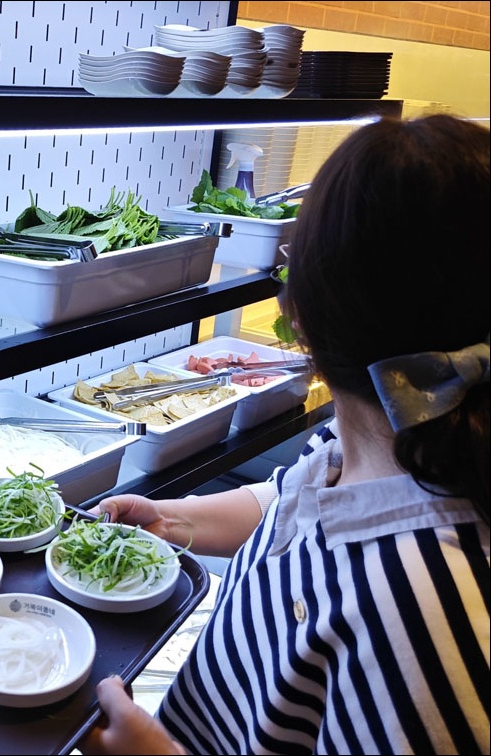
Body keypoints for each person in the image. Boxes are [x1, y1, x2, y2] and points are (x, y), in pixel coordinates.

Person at [80, 113, 490, 755]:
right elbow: (287, 501)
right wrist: (169, 518)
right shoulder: (383, 440)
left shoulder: (423, 612)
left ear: (299, 317)